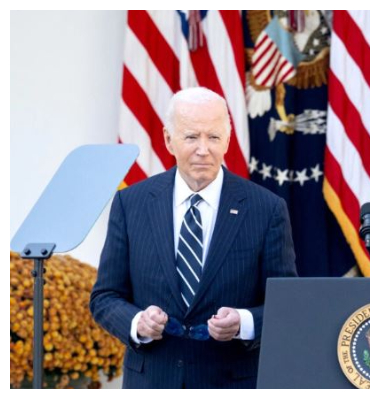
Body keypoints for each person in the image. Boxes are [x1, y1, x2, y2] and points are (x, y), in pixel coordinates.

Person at [90, 87, 297, 388]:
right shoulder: (130, 204)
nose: (204, 149)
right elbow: (105, 297)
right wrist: (138, 323)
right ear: (168, 140)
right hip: (152, 383)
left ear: (227, 139)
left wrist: (244, 323)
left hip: (232, 383)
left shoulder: (267, 209)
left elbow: (288, 304)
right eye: (191, 137)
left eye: (213, 137)